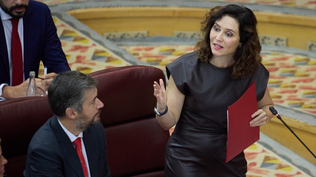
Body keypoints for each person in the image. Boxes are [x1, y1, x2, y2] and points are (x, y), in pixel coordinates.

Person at [153, 4, 274, 176]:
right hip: (186, 157)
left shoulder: (252, 71)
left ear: (242, 41)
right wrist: (162, 108)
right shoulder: (185, 68)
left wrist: (265, 114)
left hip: (229, 157)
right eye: (216, 29)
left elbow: (268, 106)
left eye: (228, 34)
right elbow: (167, 122)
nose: (217, 38)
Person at [24, 71, 111, 177]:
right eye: (93, 102)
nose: (101, 104)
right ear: (72, 113)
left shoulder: (95, 128)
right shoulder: (43, 151)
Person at [0, 0, 70, 99]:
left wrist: (59, 79)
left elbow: (57, 63)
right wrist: (8, 91)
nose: (19, 2)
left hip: (31, 101)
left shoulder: (40, 12)